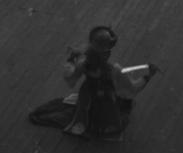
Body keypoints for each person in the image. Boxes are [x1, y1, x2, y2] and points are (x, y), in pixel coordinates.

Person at [28, 25, 157, 141]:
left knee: (84, 109)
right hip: (106, 98)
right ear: (107, 53)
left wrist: (73, 59)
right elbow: (132, 88)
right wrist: (148, 76)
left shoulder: (83, 63)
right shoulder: (114, 70)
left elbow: (71, 77)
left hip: (87, 93)